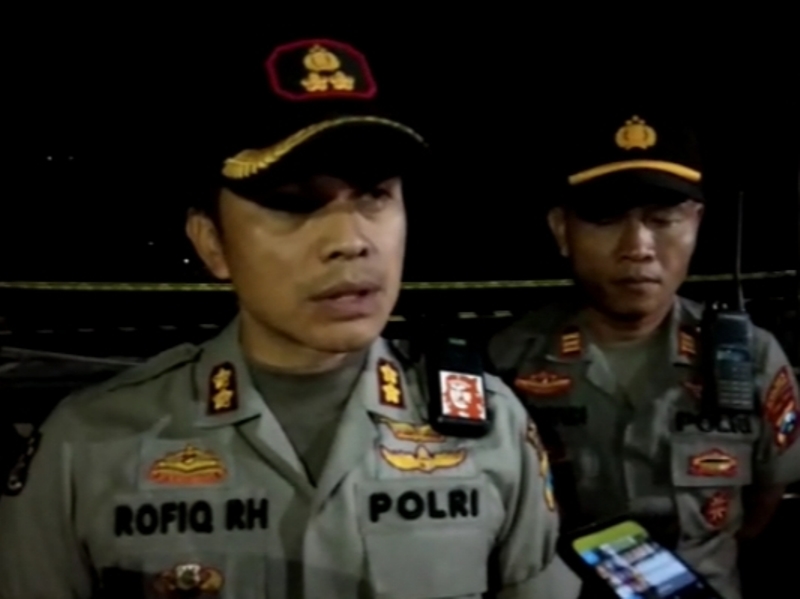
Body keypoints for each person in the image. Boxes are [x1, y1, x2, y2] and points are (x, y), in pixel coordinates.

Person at [0, 37, 574, 599]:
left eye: (374, 195)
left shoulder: (494, 428)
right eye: (293, 203)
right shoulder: (86, 446)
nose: (350, 240)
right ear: (212, 243)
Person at [487, 108, 800, 599]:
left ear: (695, 224)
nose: (638, 247)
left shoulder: (751, 359)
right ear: (562, 230)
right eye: (607, 219)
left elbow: (762, 506)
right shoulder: (506, 362)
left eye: (662, 219)